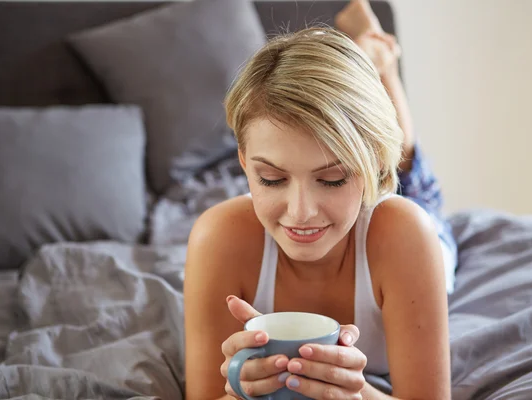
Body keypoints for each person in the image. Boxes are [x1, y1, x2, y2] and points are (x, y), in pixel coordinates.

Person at [184, 1, 455, 399]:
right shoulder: (217, 237)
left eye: (331, 179)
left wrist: (356, 394)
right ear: (244, 162)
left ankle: (379, 60)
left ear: (369, 167)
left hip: (397, 208)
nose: (300, 212)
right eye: (271, 178)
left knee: (410, 169)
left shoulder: (407, 234)